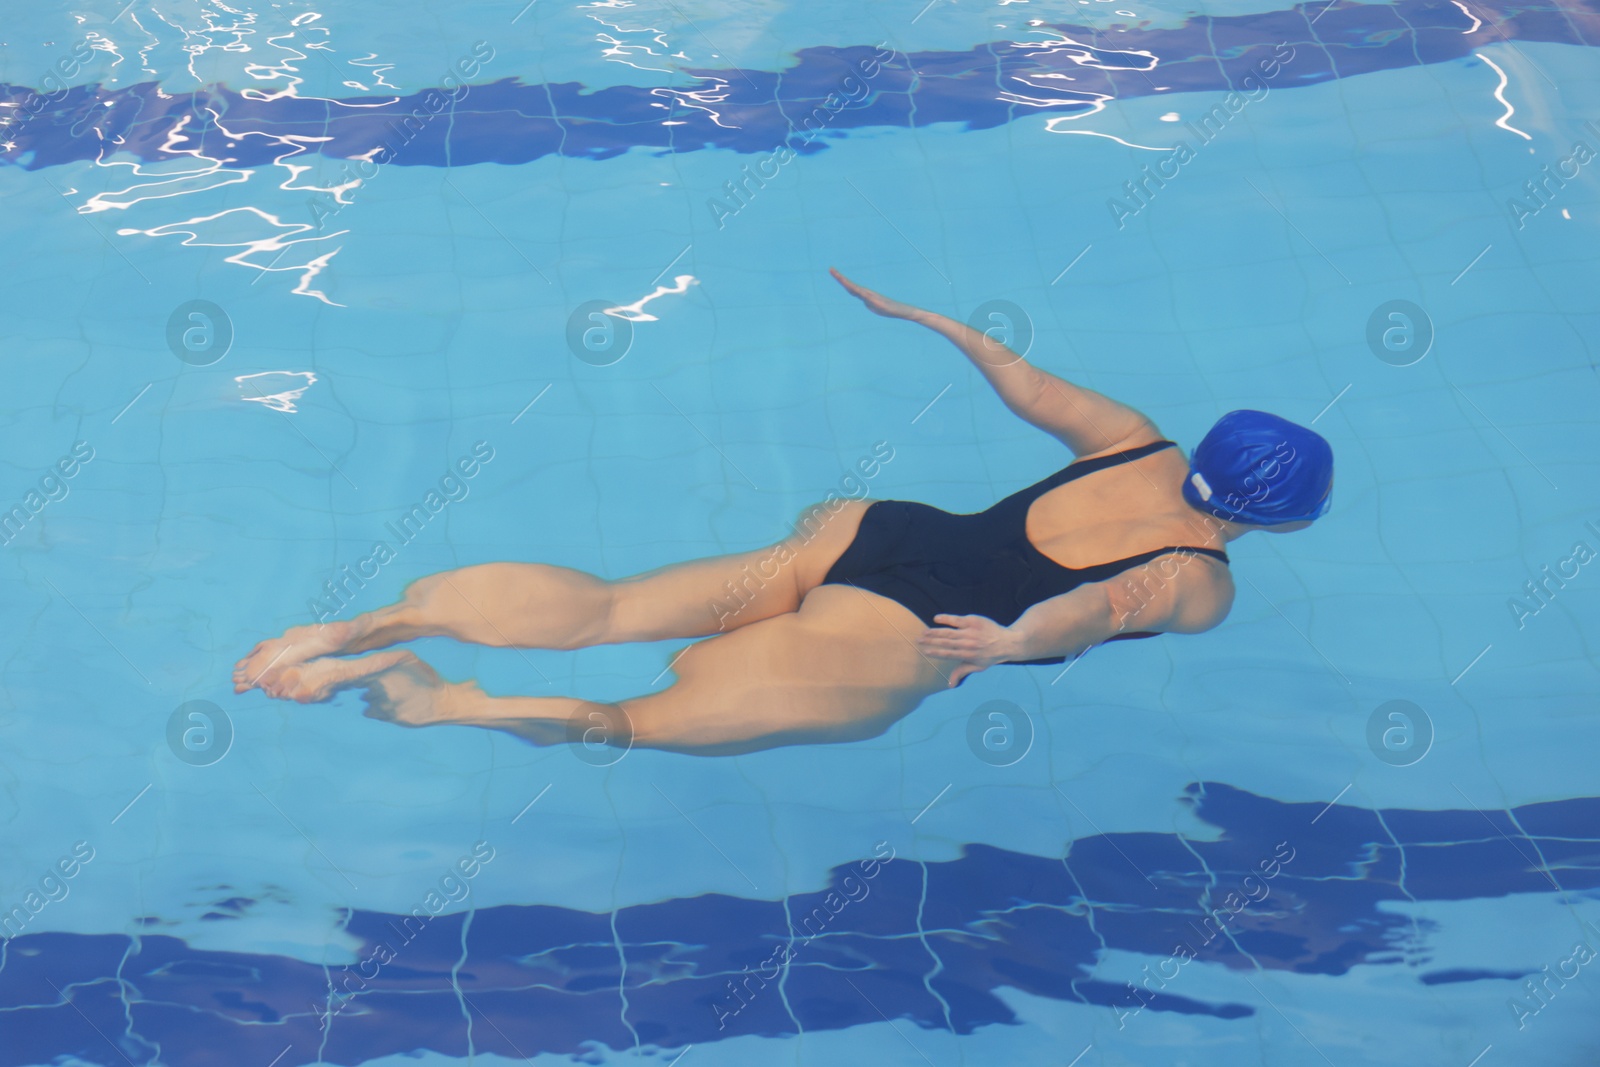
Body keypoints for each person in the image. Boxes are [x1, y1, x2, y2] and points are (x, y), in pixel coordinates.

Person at [233, 269, 1334, 756]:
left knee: (612, 607)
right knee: (629, 723)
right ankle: (436, 703)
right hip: (898, 635)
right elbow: (1101, 605)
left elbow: (1024, 379)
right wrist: (1005, 642)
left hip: (878, 532)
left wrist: (938, 322)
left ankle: (354, 630)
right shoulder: (1203, 581)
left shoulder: (1140, 438)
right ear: (1281, 521)